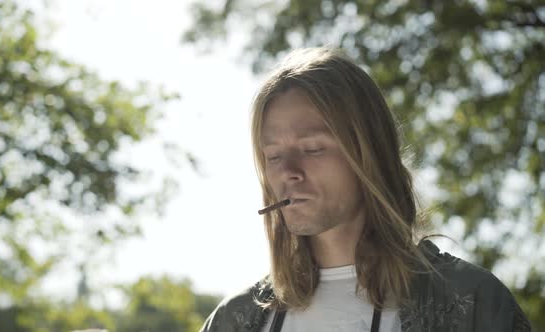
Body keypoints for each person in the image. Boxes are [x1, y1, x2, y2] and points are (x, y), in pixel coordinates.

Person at [200, 47, 531, 332]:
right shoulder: (234, 321)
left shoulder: (474, 303)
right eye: (273, 156)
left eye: (313, 148)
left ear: (369, 152)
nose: (289, 172)